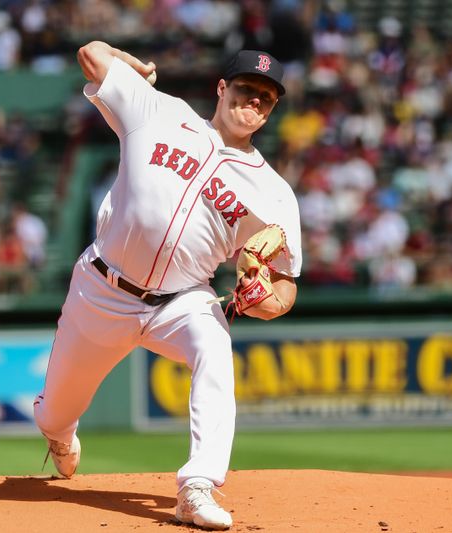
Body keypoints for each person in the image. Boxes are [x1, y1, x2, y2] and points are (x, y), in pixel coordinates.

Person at [32, 42, 302, 531]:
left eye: (267, 96)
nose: (254, 102)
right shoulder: (159, 112)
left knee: (215, 346)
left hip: (182, 300)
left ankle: (197, 487)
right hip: (102, 290)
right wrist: (133, 66)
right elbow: (91, 54)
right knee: (53, 412)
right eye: (246, 88)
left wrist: (266, 302)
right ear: (222, 89)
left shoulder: (276, 195)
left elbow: (284, 287)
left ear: (274, 107)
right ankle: (60, 433)